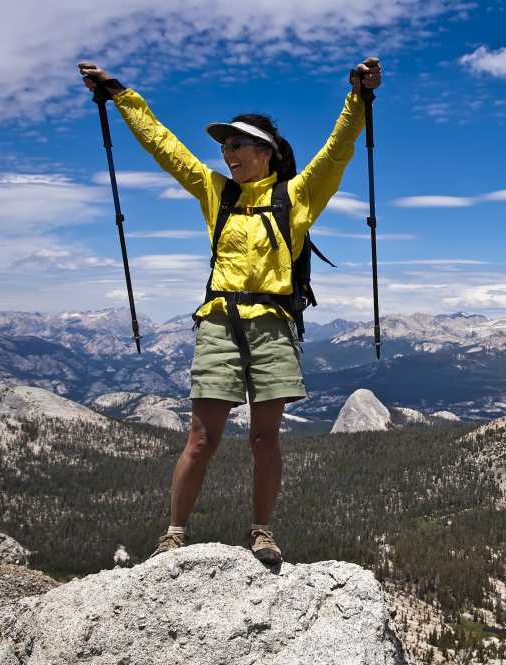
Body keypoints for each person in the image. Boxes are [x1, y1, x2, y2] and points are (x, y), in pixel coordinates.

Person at [78, 57, 382, 565]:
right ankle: (174, 535)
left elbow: (338, 150)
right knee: (202, 437)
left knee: (266, 438)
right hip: (219, 321)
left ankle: (261, 532)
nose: (227, 153)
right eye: (224, 146)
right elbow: (164, 146)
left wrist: (359, 96)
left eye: (237, 145)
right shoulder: (216, 193)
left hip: (273, 327)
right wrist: (119, 94)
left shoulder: (297, 195)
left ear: (266, 152)